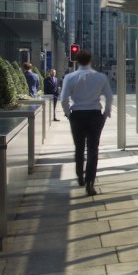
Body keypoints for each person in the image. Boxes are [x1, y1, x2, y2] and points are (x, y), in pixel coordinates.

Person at [60, 49, 112, 195]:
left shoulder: (70, 77)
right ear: (91, 61)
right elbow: (109, 97)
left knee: (79, 148)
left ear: (77, 61)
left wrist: (68, 114)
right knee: (93, 149)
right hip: (95, 114)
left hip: (77, 114)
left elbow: (63, 99)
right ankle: (90, 183)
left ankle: (80, 176)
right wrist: (105, 114)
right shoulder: (100, 77)